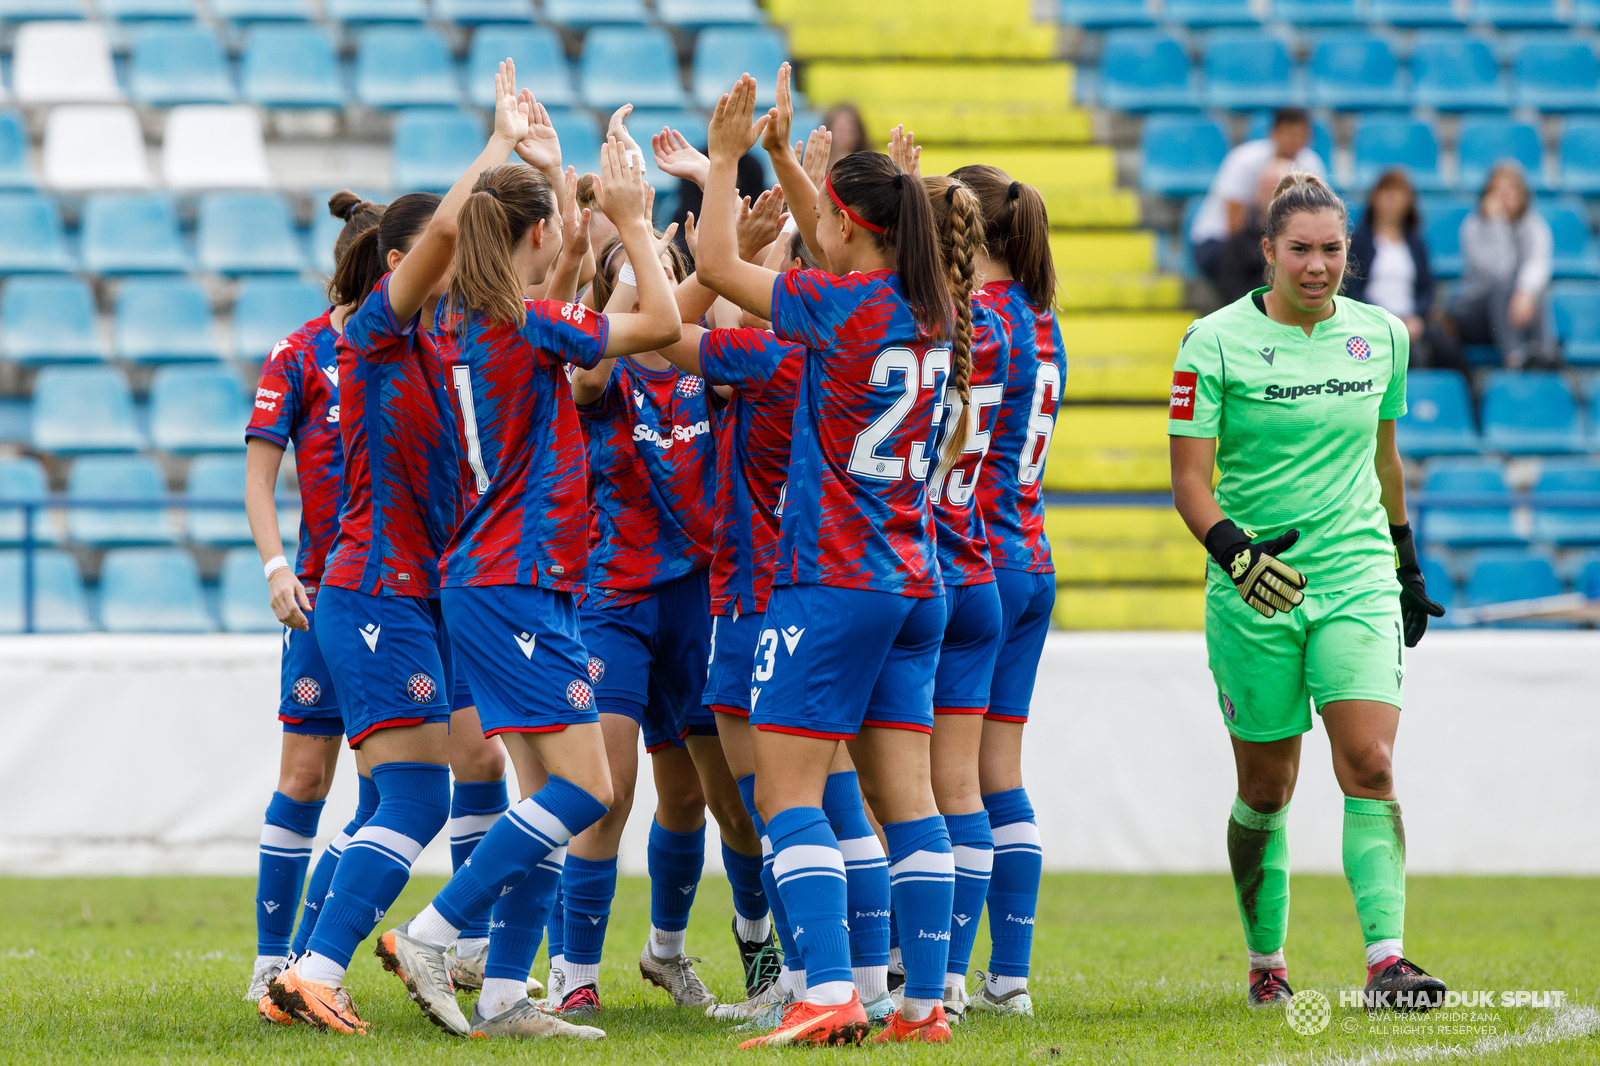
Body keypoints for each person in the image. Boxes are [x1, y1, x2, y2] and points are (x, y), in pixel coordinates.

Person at [372, 129, 692, 1040]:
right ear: (537, 237)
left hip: (501, 581)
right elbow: (662, 326)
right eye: (554, 222)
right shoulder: (533, 326)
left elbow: (548, 292)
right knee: (586, 792)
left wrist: (556, 180)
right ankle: (435, 935)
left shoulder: (462, 322)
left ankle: (509, 993)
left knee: (545, 800)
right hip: (517, 579)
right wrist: (633, 222)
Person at [265, 61, 534, 1036]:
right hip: (374, 593)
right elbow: (453, 235)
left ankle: (316, 967)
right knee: (415, 789)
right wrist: (499, 147)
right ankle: (311, 965)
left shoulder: (451, 346)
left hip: (413, 597)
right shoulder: (380, 333)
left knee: (430, 782)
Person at [696, 71, 961, 1047]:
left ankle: (826, 993)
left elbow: (721, 264)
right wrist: (797, 172)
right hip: (912, 578)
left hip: (832, 578)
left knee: (788, 790)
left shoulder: (838, 312)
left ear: (850, 230)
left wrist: (729, 159)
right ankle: (921, 1004)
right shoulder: (935, 308)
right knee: (909, 803)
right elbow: (836, 240)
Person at [1167, 170, 1449, 1012]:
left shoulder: (1382, 337)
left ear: (1349, 253)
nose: (1318, 265)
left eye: (1333, 250)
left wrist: (1404, 560)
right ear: (1268, 253)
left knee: (1369, 761)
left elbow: (1386, 459)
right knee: (1266, 788)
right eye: (1301, 250)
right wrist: (1235, 554)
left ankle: (1388, 961)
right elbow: (1189, 481)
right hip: (1254, 592)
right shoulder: (1210, 342)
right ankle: (1267, 962)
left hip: (1355, 574)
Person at [552, 210, 765, 1019]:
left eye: (658, 269)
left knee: (713, 801)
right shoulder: (603, 370)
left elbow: (734, 309)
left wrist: (739, 248)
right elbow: (589, 375)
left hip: (702, 601)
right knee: (604, 790)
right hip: (615, 601)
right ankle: (572, 974)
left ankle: (688, 956)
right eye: (629, 275)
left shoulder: (701, 361)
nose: (645, 284)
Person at [240, 190, 381, 1018]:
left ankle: (308, 960)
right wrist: (274, 568)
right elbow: (261, 477)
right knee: (304, 775)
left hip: (398, 595)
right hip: (323, 593)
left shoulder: (410, 349)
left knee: (387, 788)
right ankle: (269, 962)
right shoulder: (296, 356)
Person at [947, 162, 1065, 1019]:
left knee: (940, 780)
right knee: (1000, 775)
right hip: (1031, 558)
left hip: (972, 557)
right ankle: (1008, 976)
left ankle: (939, 976)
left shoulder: (973, 323)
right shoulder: (1042, 320)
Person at [1190, 109, 1327, 285]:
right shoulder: (1243, 160)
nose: (1295, 141)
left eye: (1301, 136)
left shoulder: (1311, 163)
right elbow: (1235, 226)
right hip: (1219, 241)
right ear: (1274, 133)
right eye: (1290, 134)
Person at [1347, 169, 1464, 375]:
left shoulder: (1415, 242)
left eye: (1399, 193)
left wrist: (1416, 317)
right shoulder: (1359, 241)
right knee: (1409, 354)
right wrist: (1388, 319)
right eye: (1386, 192)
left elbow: (1427, 288)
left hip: (1414, 322)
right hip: (1373, 320)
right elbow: (1353, 290)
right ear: (1374, 198)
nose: (1392, 199)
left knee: (1447, 348)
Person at [1449, 163, 1554, 369]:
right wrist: (1498, 223)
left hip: (1513, 314)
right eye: (1497, 191)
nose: (1504, 197)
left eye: (1511, 190)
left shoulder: (1534, 225)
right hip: (1476, 313)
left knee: (1536, 292)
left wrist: (1525, 291)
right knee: (1503, 288)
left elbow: (1539, 265)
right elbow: (1499, 272)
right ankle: (1514, 358)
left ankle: (1545, 357)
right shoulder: (1473, 227)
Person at [1214, 157, 1293, 304]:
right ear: (1257, 194)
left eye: (1282, 191)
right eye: (1270, 189)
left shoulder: (1310, 243)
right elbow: (1231, 291)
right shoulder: (1237, 244)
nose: (1275, 198)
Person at [823, 102, 868, 168]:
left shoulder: (868, 166)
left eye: (848, 129)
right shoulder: (816, 167)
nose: (842, 135)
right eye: (839, 129)